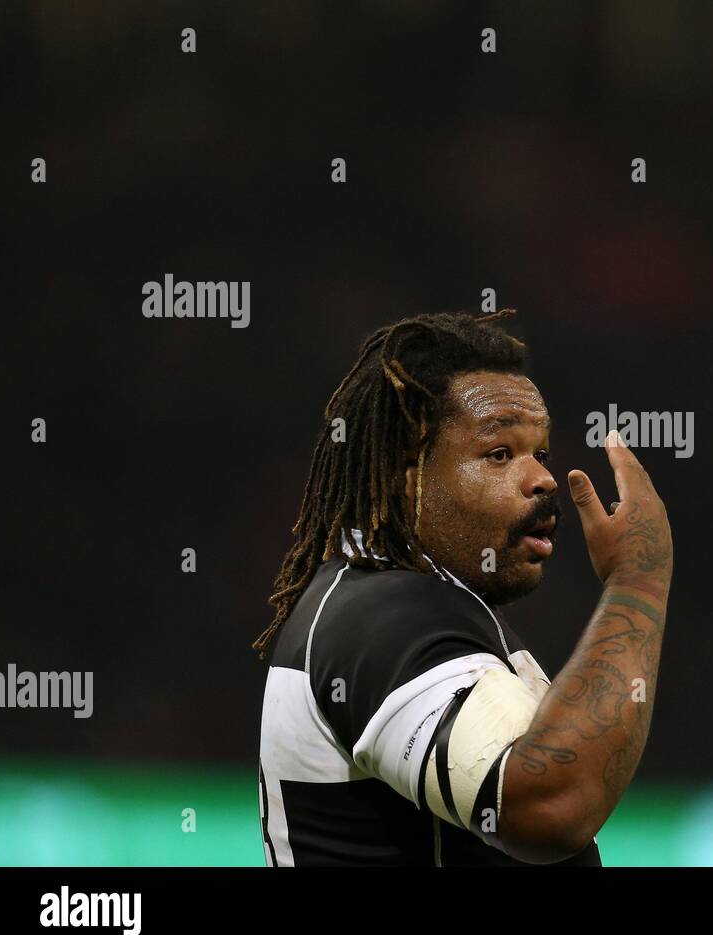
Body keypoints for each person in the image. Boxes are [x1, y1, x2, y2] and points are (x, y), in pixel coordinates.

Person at [254, 310, 672, 866]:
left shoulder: (402, 601)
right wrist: (638, 580)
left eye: (540, 454)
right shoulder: (385, 614)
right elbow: (548, 808)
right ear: (408, 470)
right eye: (500, 454)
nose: (543, 479)